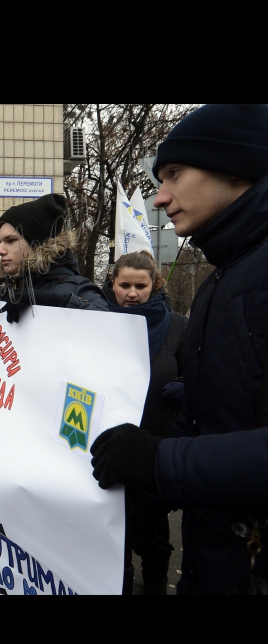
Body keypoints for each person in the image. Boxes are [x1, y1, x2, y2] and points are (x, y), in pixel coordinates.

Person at [90, 104, 268, 594]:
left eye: (175, 173)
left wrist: (160, 463)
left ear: (235, 166)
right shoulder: (224, 276)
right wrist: (197, 401)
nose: (161, 196)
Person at [102, 250, 188, 594]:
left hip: (157, 442)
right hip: (110, 442)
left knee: (152, 529)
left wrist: (184, 388)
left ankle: (155, 583)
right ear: (113, 284)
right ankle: (116, 581)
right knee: (113, 525)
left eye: (141, 285)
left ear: (155, 284)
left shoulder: (178, 326)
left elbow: (196, 372)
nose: (132, 293)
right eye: (125, 285)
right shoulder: (97, 320)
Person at [0, 194, 108, 321]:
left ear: (38, 243)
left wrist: (57, 302)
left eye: (11, 240)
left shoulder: (78, 290)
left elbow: (108, 327)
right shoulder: (0, 295)